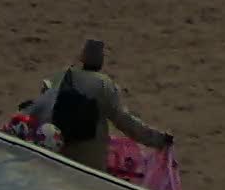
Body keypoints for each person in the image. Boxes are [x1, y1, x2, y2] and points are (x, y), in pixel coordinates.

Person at [44, 39, 171, 170]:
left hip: (59, 156)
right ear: (101, 60)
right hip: (91, 162)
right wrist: (158, 139)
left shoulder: (63, 77)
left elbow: (42, 108)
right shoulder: (104, 85)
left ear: (82, 57)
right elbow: (124, 121)